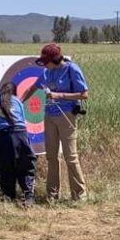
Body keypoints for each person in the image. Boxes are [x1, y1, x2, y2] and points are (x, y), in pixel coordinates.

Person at [36, 43, 88, 201]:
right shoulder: (47, 71)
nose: (45, 65)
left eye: (47, 61)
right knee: (51, 156)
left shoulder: (72, 69)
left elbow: (84, 94)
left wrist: (60, 96)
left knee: (70, 156)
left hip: (66, 115)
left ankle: (79, 195)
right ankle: (52, 195)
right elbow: (36, 85)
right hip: (49, 115)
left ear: (56, 59)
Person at [0, 81, 36, 205]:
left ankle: (8, 195)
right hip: (22, 135)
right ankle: (28, 196)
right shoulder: (17, 101)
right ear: (14, 92)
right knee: (25, 165)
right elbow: (23, 120)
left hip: (5, 136)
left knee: (3, 165)